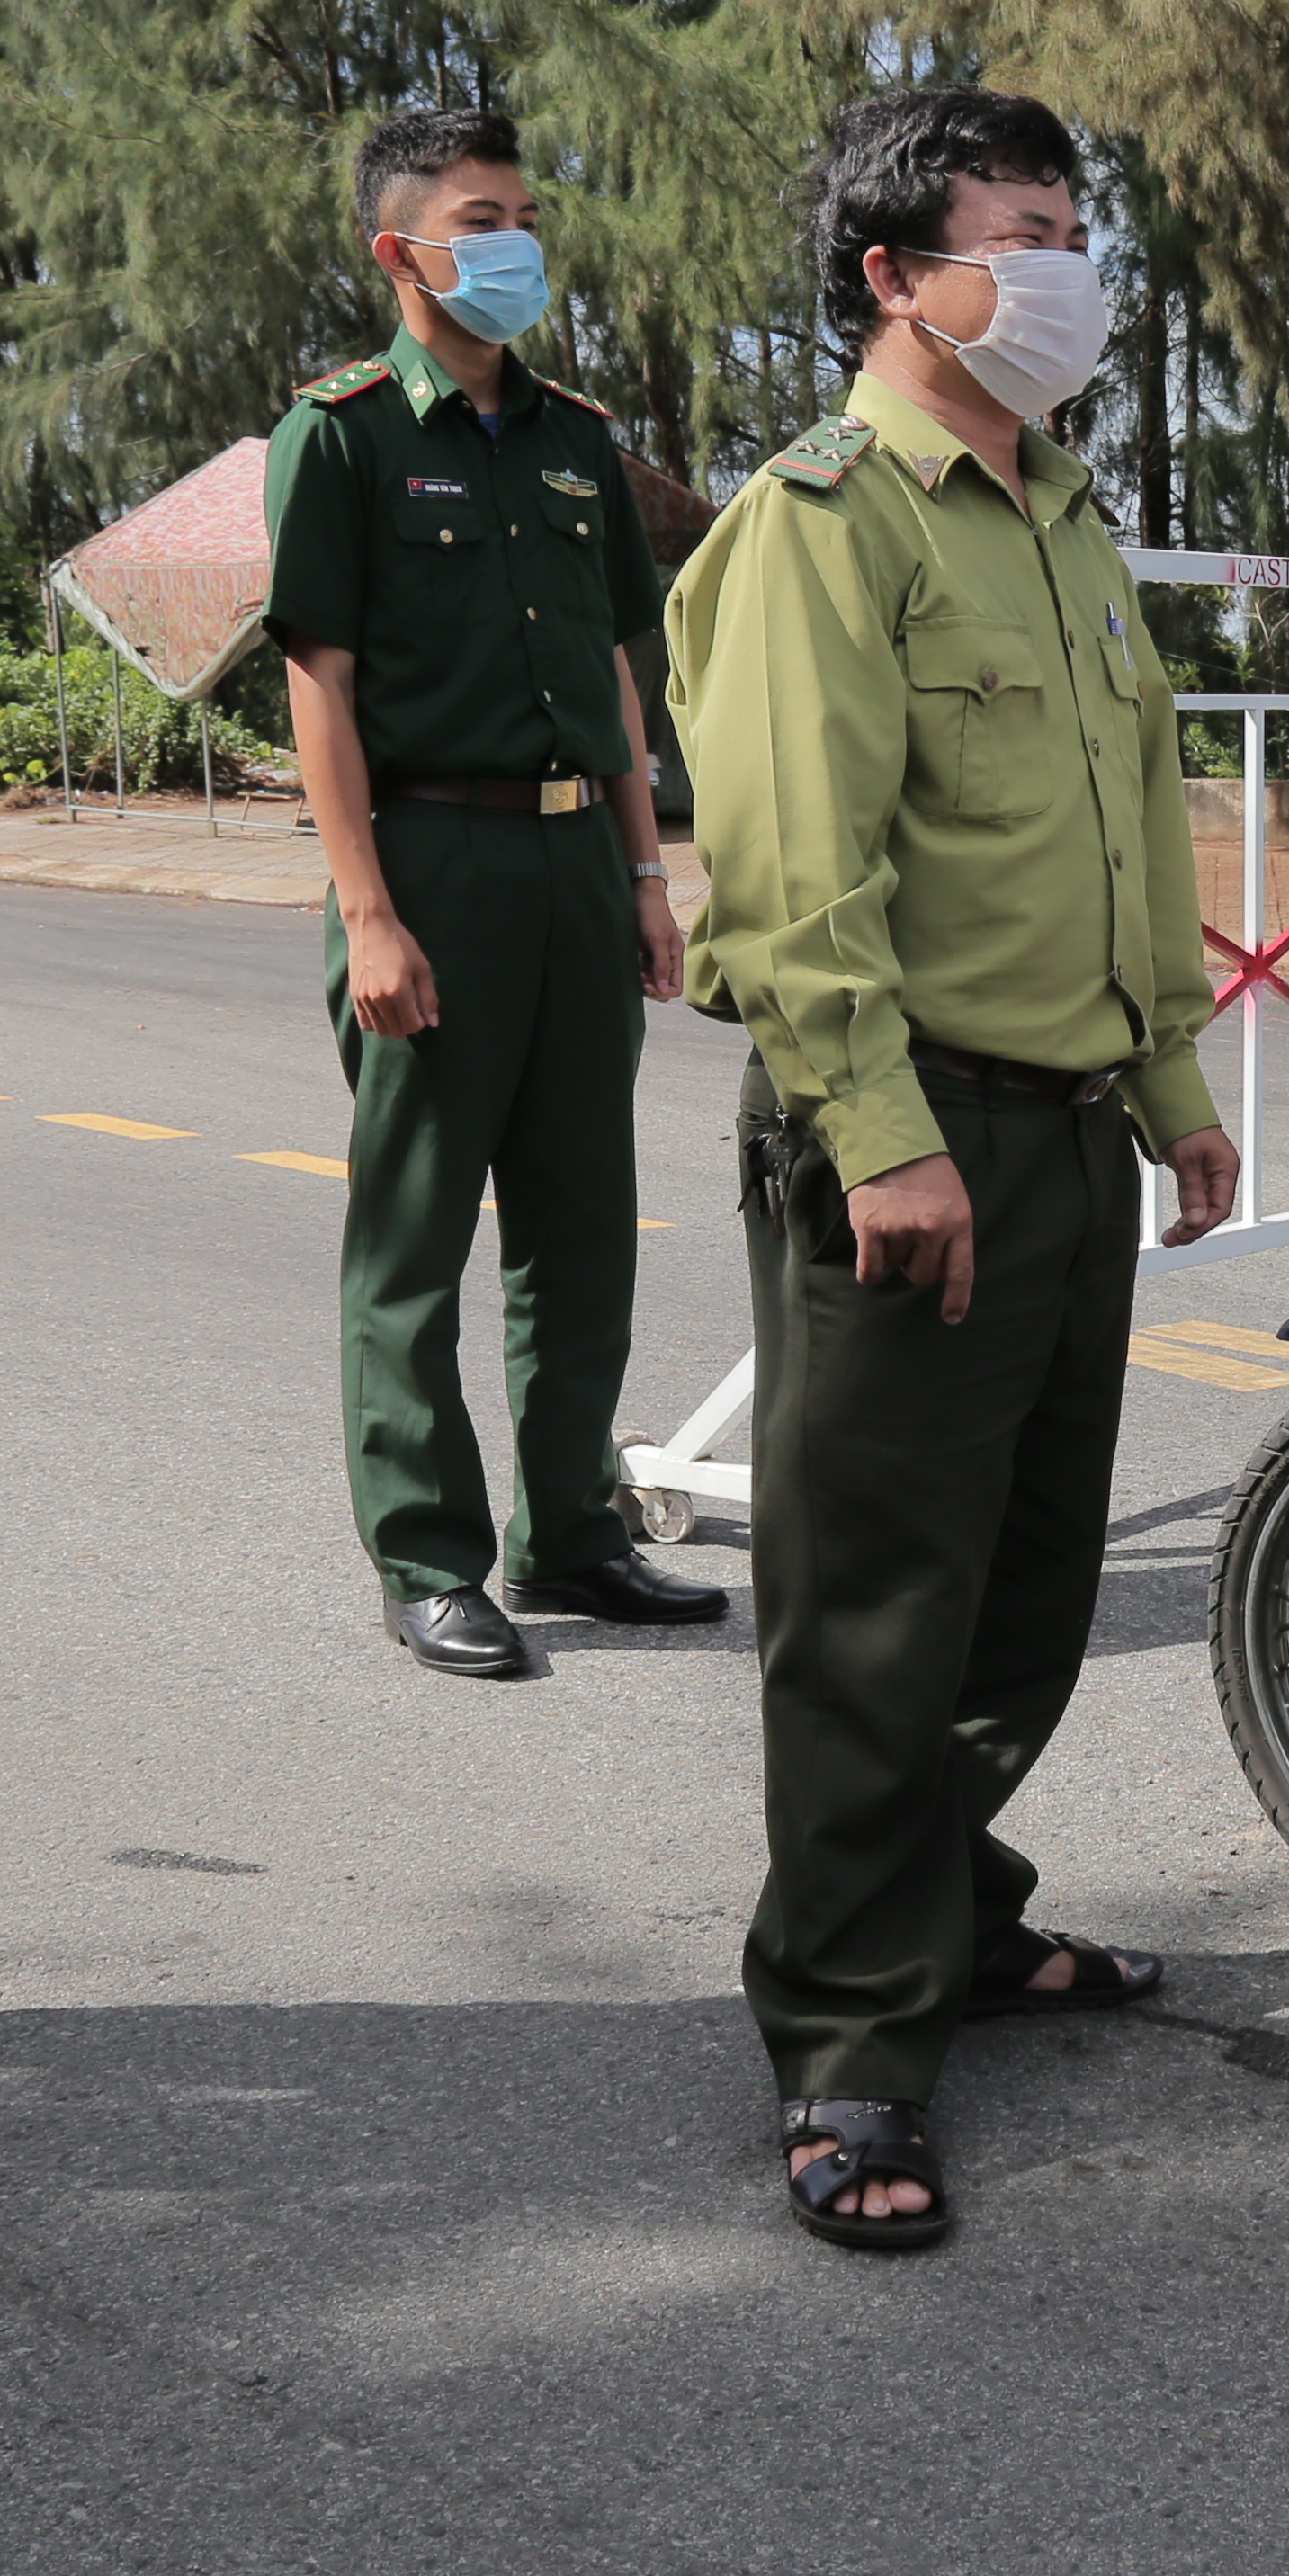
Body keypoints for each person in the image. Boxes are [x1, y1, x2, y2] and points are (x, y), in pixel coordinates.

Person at [665, 86, 1242, 2252]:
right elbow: (795, 877)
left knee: (1022, 1597)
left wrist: (1174, 1081)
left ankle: (947, 1914)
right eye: (1020, 228)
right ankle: (845, 2048)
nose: (1066, 267)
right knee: (873, 1620)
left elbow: (1127, 828)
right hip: (908, 1137)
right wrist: (880, 1140)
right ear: (895, 274)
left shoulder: (1062, 518)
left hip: (1069, 1129)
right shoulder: (823, 523)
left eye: (1077, 226)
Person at [266, 105, 724, 1684]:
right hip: (429, 858)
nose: (515, 240)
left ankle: (575, 1536)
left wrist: (647, 872)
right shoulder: (338, 432)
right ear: (399, 249)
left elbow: (611, 662)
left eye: (525, 211)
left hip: (573, 865)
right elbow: (317, 683)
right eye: (482, 216)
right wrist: (370, 909)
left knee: (582, 1225)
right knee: (415, 1233)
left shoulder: (576, 436)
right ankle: (427, 1552)